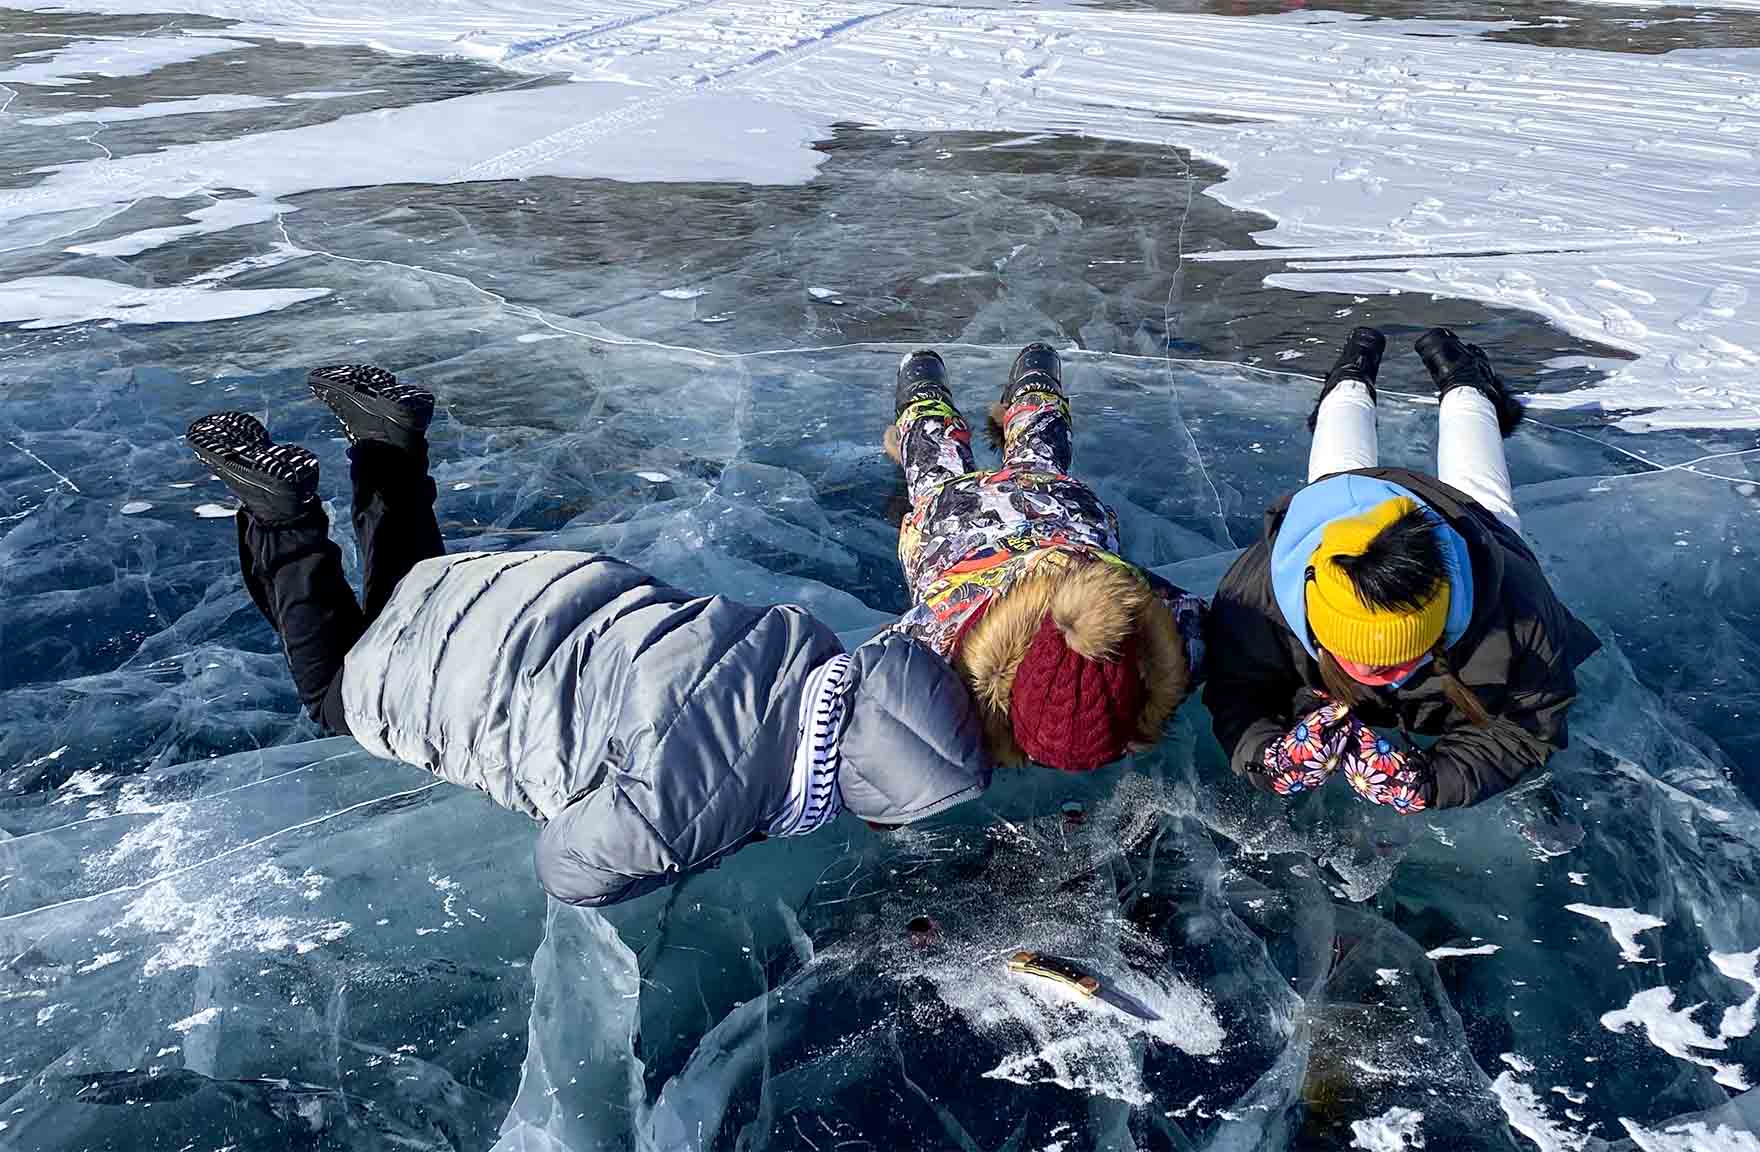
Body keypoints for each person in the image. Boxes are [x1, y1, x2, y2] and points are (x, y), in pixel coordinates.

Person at [185, 366, 991, 907]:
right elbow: (568, 869)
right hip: (479, 675)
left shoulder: (789, 641)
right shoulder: (686, 807)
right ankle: (283, 516)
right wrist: (698, 844)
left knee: (416, 592)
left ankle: (387, 441)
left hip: (534, 590)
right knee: (340, 688)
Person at [1204, 327, 1600, 811]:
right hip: (1339, 514)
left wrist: (1431, 781)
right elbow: (1235, 689)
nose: (1371, 672)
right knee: (1333, 474)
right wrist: (1268, 757)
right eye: (1351, 654)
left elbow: (1527, 725)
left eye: (1399, 659)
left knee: (1485, 499)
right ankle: (1352, 377)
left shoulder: (1520, 611)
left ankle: (1467, 385)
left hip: (1466, 519)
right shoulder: (1255, 596)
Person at [884, 343, 1204, 772]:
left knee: (1039, 460)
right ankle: (927, 395)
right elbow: (883, 667)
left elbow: (1196, 617)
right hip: (957, 527)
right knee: (935, 475)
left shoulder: (1156, 619)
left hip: (1060, 514)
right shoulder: (943, 640)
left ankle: (1030, 381)